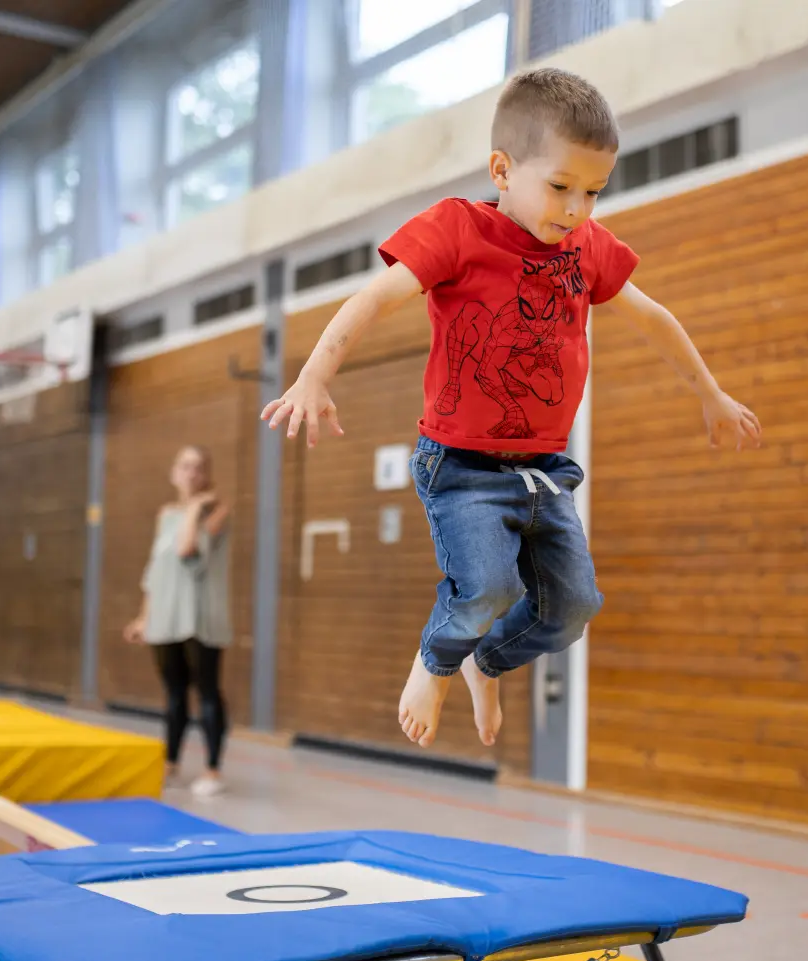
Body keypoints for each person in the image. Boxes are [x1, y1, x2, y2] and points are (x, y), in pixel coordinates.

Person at [260, 67, 761, 751]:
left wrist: (709, 391)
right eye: (560, 187)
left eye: (593, 191)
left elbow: (653, 318)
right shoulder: (459, 230)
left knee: (574, 608)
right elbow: (372, 299)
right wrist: (313, 376)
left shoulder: (587, 249)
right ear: (502, 169)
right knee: (486, 586)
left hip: (545, 470)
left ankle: (483, 661)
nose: (578, 208)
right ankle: (435, 664)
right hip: (461, 466)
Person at [123, 445, 232, 798]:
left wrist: (196, 508)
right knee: (173, 693)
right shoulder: (165, 513)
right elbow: (155, 569)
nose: (191, 473)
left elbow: (187, 550)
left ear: (206, 474)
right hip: (165, 616)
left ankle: (213, 770)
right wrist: (143, 616)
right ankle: (171, 763)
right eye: (184, 466)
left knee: (207, 692)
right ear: (174, 472)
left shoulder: (216, 512)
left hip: (200, 618)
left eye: (198, 467)